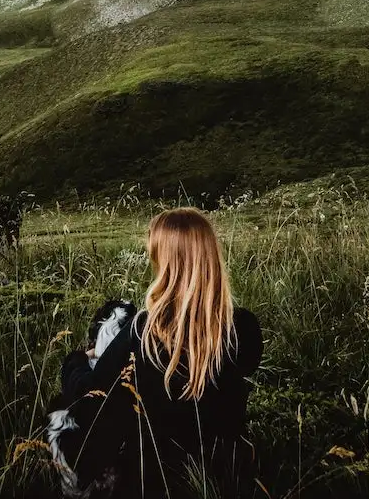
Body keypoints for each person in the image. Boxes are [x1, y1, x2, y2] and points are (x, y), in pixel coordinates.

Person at [59, 207, 263, 498]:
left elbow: (89, 393)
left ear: (166, 263)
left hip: (152, 481)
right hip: (225, 476)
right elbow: (242, 366)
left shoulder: (145, 329)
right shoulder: (243, 327)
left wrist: (76, 360)